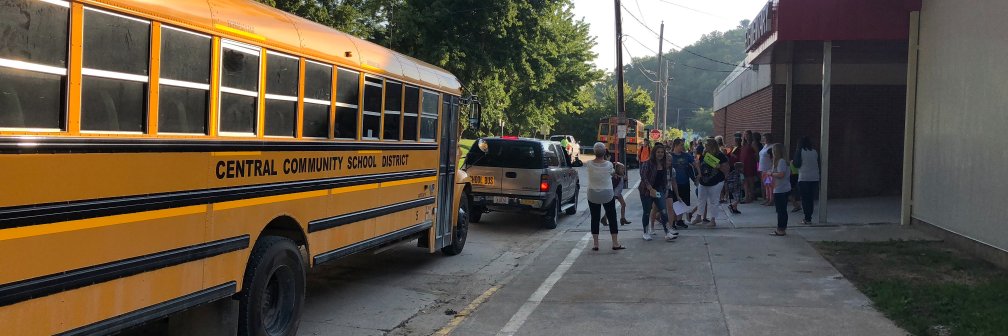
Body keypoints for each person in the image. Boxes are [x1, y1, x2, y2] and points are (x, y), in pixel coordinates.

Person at [587, 143, 626, 250]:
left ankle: (595, 244)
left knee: (595, 217)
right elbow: (613, 173)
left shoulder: (589, 164)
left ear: (594, 152)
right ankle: (615, 243)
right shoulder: (609, 165)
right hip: (607, 194)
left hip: (592, 194)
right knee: (612, 216)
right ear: (605, 152)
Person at [638, 143, 678, 241]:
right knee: (647, 212)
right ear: (654, 153)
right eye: (658, 152)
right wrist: (650, 189)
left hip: (658, 190)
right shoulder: (647, 163)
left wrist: (664, 190)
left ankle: (667, 233)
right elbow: (643, 176)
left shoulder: (664, 164)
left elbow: (664, 179)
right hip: (646, 191)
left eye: (662, 152)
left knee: (663, 211)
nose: (660, 154)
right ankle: (646, 232)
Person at [692, 138, 730, 227]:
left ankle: (713, 220)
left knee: (714, 201)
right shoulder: (704, 154)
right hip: (704, 181)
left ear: (712, 146)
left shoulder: (720, 155)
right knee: (701, 199)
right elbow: (699, 163)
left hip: (716, 181)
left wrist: (719, 166)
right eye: (705, 145)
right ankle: (698, 217)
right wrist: (697, 166)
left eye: (707, 145)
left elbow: (726, 168)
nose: (706, 147)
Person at [793, 136, 821, 225]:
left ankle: (807, 218)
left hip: (804, 177)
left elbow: (797, 164)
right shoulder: (814, 151)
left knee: (805, 199)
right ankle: (809, 217)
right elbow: (818, 163)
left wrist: (792, 161)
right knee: (811, 199)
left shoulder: (799, 151)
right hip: (815, 177)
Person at [669, 138, 695, 228]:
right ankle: (672, 221)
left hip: (685, 182)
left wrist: (698, 173)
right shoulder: (670, 156)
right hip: (674, 183)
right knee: (674, 203)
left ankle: (679, 220)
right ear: (676, 145)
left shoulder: (686, 155)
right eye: (681, 145)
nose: (683, 147)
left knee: (683, 202)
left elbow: (695, 163)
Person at [769, 143, 792, 236]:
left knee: (781, 211)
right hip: (782, 188)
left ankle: (780, 229)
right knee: (782, 210)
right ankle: (782, 228)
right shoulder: (781, 161)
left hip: (781, 189)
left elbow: (781, 174)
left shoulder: (781, 161)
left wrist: (771, 174)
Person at [601, 161, 632, 226]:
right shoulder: (615, 177)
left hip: (618, 193)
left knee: (623, 204)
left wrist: (625, 179)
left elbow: (622, 184)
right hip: (613, 193)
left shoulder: (622, 176)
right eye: (622, 168)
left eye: (624, 168)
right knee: (611, 207)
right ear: (617, 169)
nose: (623, 170)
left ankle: (622, 218)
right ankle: (604, 218)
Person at [740, 131, 758, 203]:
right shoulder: (743, 144)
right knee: (744, 180)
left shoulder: (753, 143)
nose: (746, 136)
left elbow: (757, 155)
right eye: (745, 135)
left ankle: (751, 196)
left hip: (750, 164)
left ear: (750, 135)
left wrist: (758, 166)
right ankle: (746, 196)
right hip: (743, 164)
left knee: (750, 181)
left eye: (747, 134)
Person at [758, 133, 774, 206]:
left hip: (769, 169)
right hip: (763, 169)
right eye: (764, 138)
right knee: (766, 185)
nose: (765, 140)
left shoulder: (772, 146)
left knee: (770, 185)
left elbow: (773, 158)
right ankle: (767, 198)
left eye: (766, 138)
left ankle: (771, 200)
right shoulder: (764, 146)